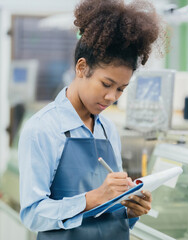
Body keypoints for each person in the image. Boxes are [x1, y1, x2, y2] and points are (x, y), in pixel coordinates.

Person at [18, 0, 163, 239]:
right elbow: (33, 215)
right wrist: (93, 198)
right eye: (106, 84)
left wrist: (130, 209)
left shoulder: (107, 129)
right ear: (81, 68)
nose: (111, 97)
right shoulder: (43, 128)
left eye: (121, 89)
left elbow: (109, 210)